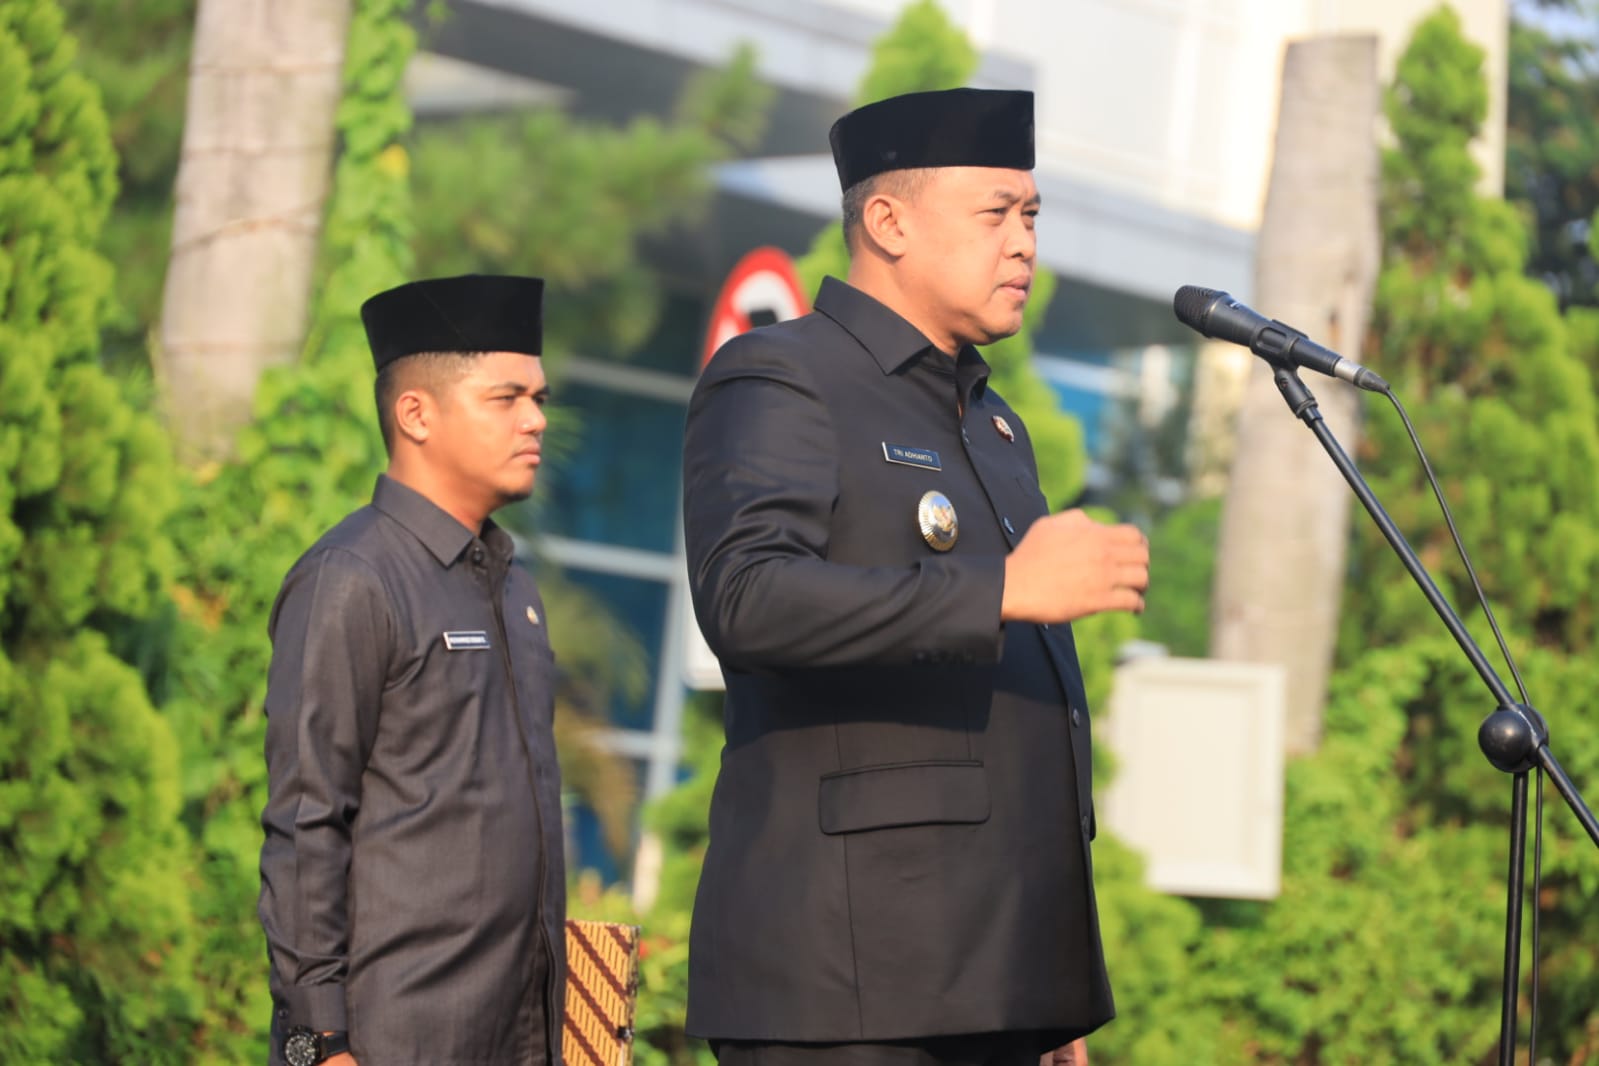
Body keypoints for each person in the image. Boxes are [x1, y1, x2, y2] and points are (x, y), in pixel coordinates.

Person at [680, 88, 1150, 1066]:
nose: (1023, 243)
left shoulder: (993, 421)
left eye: (1032, 217)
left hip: (989, 978)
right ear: (888, 222)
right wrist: (1003, 589)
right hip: (848, 986)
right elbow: (748, 598)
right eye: (995, 213)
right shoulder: (781, 374)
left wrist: (1041, 986)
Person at [258, 274, 566, 1066]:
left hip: (521, 1036)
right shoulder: (352, 577)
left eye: (537, 398)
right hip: (395, 1036)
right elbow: (305, 821)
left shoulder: (513, 587)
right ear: (416, 413)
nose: (536, 420)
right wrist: (317, 1041)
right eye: (506, 398)